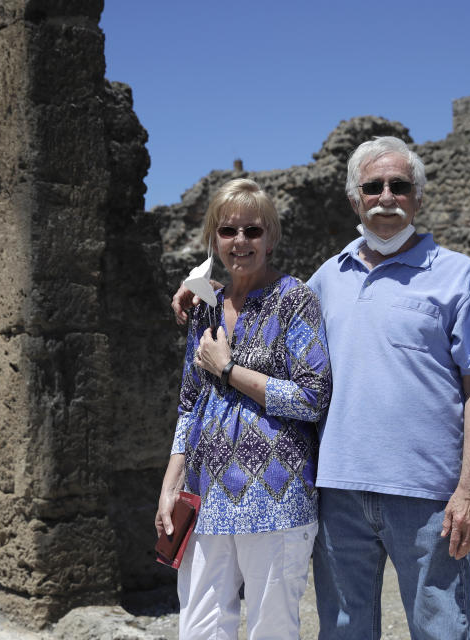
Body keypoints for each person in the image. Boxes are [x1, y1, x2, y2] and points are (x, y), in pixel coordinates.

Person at [173, 137, 470, 639]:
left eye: (399, 185)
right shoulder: (330, 277)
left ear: (418, 196)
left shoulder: (460, 276)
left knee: (441, 629)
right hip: (340, 492)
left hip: (427, 493)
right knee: (344, 630)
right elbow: (261, 294)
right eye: (372, 186)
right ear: (355, 199)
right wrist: (205, 289)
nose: (386, 196)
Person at [156, 178, 332, 639]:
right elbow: (190, 403)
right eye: (228, 231)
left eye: (253, 231)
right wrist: (170, 485)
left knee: (271, 628)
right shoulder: (205, 307)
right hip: (206, 493)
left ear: (271, 238)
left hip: (274, 498)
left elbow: (313, 397)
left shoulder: (295, 301)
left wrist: (229, 369)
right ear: (213, 239)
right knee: (200, 627)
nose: (241, 242)